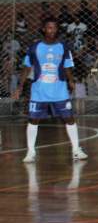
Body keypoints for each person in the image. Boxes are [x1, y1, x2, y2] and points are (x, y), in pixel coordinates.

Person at [12, 17, 88, 163]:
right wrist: (20, 86)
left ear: (57, 29)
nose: (51, 30)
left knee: (69, 118)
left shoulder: (63, 46)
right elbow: (27, 68)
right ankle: (31, 152)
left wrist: (71, 80)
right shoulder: (34, 47)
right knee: (33, 120)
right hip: (39, 91)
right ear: (43, 29)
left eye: (54, 27)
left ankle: (76, 149)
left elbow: (67, 65)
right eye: (49, 27)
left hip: (59, 90)